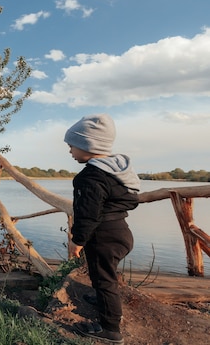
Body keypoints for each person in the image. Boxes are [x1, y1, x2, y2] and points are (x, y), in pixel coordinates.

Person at [64, 113, 140, 345]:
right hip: (120, 232)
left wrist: (77, 240)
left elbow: (88, 213)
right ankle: (105, 301)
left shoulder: (90, 177)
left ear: (89, 145)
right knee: (105, 275)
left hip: (104, 236)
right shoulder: (116, 171)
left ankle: (110, 329)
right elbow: (130, 200)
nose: (70, 152)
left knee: (103, 278)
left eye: (72, 146)